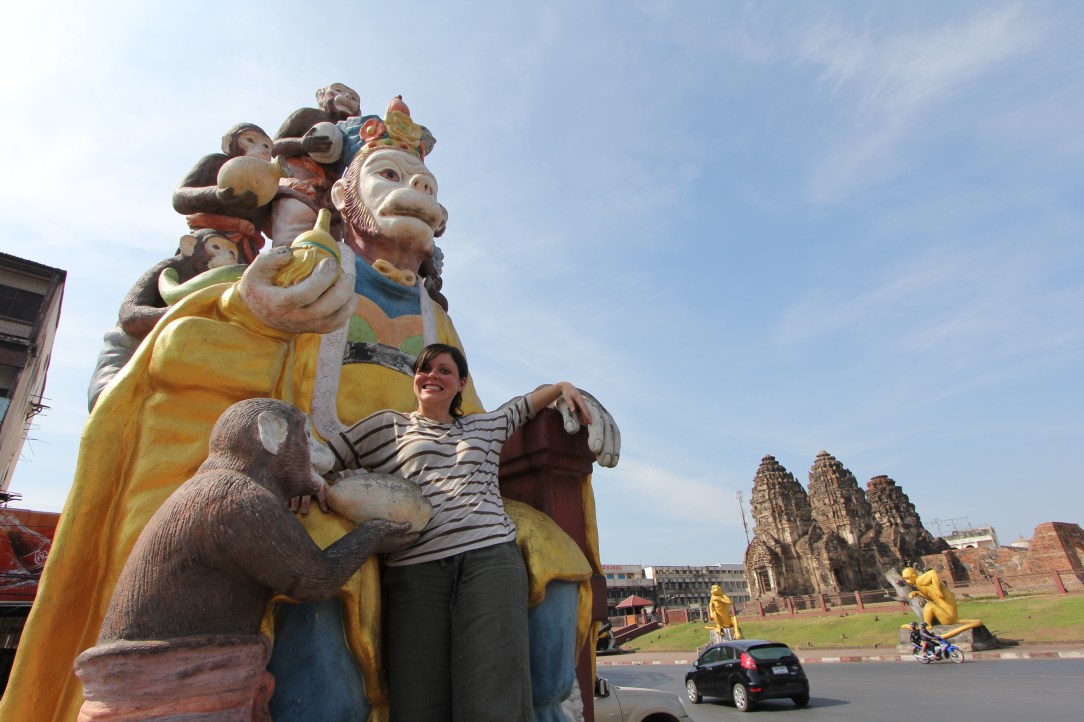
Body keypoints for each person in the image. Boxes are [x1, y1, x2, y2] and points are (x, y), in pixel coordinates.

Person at [322, 343, 593, 722]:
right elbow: (326, 459)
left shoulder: (483, 426)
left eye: (444, 370)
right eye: (425, 368)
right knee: (418, 696)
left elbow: (523, 406)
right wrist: (308, 489)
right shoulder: (387, 427)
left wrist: (563, 386)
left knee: (492, 688)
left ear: (461, 383)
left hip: (489, 560)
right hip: (415, 568)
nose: (432, 375)